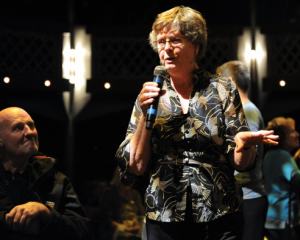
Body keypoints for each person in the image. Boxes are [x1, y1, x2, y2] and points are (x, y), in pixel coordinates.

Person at [115, 6, 278, 240]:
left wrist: (245, 147)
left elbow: (241, 163)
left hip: (219, 215)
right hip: (164, 215)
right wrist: (143, 115)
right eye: (161, 42)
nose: (166, 49)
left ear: (196, 45)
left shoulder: (222, 89)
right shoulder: (148, 95)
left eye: (175, 40)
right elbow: (136, 166)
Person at [0, 107, 92, 239]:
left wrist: (46, 214)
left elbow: (84, 230)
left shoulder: (56, 180)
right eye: (18, 128)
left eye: (31, 125)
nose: (30, 132)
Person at [216, 60, 267, 240]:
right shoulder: (244, 110)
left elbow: (245, 160)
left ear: (229, 81)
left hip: (247, 198)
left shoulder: (247, 111)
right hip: (245, 197)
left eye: (219, 82)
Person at [263, 117, 300, 240]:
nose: (297, 134)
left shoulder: (269, 155)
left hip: (270, 219)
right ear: (282, 135)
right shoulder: (283, 157)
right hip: (284, 221)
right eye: (292, 131)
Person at [99, 167, 144, 240]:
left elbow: (141, 215)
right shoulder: (109, 193)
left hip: (135, 230)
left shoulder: (135, 194)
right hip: (118, 230)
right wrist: (124, 228)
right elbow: (106, 219)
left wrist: (138, 227)